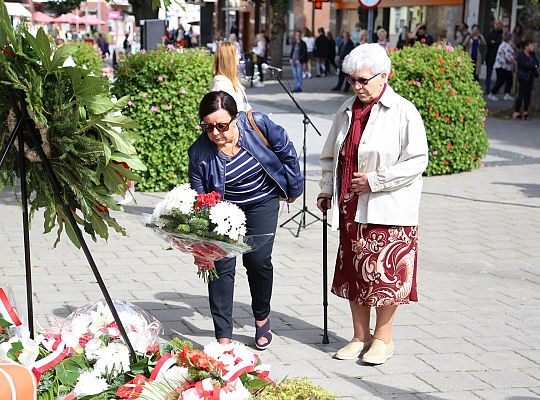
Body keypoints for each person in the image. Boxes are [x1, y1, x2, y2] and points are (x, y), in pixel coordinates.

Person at [317, 43, 428, 365]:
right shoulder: (345, 110)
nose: (357, 86)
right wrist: (326, 189)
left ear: (384, 76)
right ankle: (359, 336)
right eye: (352, 79)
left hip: (389, 208)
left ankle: (383, 339)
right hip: (352, 208)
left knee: (385, 277)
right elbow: (329, 158)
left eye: (364, 80)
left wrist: (376, 181)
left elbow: (417, 161)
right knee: (355, 274)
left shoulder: (404, 111)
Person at [188, 91, 303, 349]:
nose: (216, 133)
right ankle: (223, 335)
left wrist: (294, 188)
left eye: (221, 126)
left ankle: (262, 318)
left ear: (235, 118)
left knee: (258, 261)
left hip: (262, 202)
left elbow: (286, 151)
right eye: (208, 127)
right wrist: (201, 243)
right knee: (220, 265)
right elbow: (199, 196)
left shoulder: (257, 124)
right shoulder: (198, 152)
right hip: (224, 208)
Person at [211, 43, 251, 112]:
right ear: (228, 58)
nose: (239, 56)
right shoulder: (221, 82)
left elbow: (245, 106)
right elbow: (222, 111)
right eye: (236, 54)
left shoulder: (233, 79)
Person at [513, 40, 539, 120]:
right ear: (526, 46)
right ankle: (516, 112)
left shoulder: (532, 54)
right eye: (531, 46)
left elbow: (537, 63)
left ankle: (525, 112)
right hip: (523, 76)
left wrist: (532, 65)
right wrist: (532, 65)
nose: (533, 47)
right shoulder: (521, 54)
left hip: (530, 76)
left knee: (528, 94)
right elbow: (523, 65)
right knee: (521, 94)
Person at [487, 32, 515, 101]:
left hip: (505, 66)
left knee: (509, 80)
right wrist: (515, 62)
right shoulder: (506, 46)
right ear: (510, 38)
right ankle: (491, 94)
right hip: (502, 66)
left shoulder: (506, 44)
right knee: (500, 81)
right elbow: (508, 57)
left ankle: (507, 94)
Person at [485, 20, 503, 95]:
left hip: (498, 57)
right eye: (496, 24)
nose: (497, 25)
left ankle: (495, 89)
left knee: (500, 75)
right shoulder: (490, 33)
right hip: (490, 56)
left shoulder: (500, 33)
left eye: (498, 24)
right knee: (489, 74)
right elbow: (488, 41)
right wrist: (493, 42)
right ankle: (488, 89)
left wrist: (494, 42)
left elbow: (498, 43)